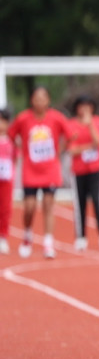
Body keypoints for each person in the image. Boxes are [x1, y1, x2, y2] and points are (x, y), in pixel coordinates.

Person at [9, 86, 69, 259]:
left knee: (48, 205)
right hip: (30, 169)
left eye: (43, 98)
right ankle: (27, 234)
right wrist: (20, 147)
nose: (40, 101)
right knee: (29, 206)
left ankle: (48, 242)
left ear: (48, 100)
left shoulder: (56, 118)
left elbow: (69, 134)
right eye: (36, 98)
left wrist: (60, 151)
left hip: (50, 169)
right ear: (31, 100)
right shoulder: (23, 118)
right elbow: (12, 134)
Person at [65, 95, 99, 251]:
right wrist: (88, 146)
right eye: (81, 106)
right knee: (80, 205)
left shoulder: (97, 121)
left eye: (88, 106)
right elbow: (72, 150)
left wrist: (90, 124)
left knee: (98, 202)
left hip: (95, 170)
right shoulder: (71, 124)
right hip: (78, 171)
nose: (84, 109)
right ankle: (81, 237)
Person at [0, 109, 14, 254]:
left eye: (2, 120)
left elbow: (16, 156)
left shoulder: (11, 139)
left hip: (6, 179)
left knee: (5, 208)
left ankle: (3, 236)